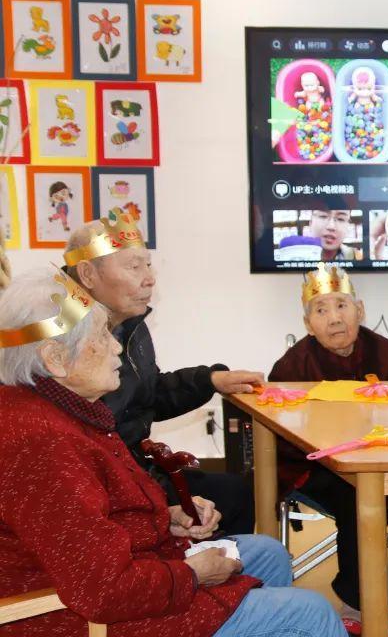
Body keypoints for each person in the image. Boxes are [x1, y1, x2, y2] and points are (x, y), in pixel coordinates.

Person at [0, 268, 345, 637]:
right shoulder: (41, 444)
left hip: (121, 578)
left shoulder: (59, 409)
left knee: (267, 554)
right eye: (101, 336)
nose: (116, 347)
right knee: (310, 613)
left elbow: (85, 527)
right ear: (54, 357)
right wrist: (192, 574)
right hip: (85, 620)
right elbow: (103, 590)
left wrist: (166, 518)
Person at [63, 216, 262, 536]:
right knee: (224, 501)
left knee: (235, 494)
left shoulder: (129, 323)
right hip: (101, 485)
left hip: (136, 468)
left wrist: (209, 381)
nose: (150, 279)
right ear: (87, 274)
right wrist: (160, 507)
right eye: (134, 267)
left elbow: (148, 395)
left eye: (148, 265)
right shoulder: (63, 340)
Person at [268, 263, 388, 635]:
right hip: (321, 468)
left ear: (359, 311)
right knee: (354, 492)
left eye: (342, 306)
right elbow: (281, 435)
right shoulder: (291, 367)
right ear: (308, 323)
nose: (334, 318)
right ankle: (357, 601)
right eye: (321, 310)